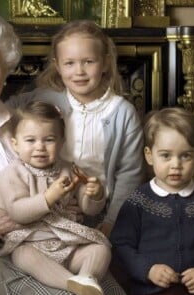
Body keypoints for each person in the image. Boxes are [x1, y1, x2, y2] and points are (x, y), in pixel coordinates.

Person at [0, 11, 129, 295]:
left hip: (44, 241)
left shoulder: (22, 123)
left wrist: (73, 202)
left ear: (5, 70)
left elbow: (56, 180)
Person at [7, 20, 145, 238]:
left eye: (88, 61)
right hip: (48, 204)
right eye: (69, 63)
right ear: (57, 65)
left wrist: (111, 222)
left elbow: (129, 175)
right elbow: (6, 110)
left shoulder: (122, 113)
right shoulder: (46, 98)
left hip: (99, 210)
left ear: (106, 63)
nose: (79, 71)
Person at [0, 101, 112, 295]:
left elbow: (87, 209)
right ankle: (71, 284)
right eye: (30, 140)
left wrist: (94, 195)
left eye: (49, 140)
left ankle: (86, 278)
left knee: (101, 249)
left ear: (61, 141)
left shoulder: (69, 169)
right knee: (22, 255)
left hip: (68, 244)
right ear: (15, 143)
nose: (40, 147)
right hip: (32, 241)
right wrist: (49, 197)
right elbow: (17, 212)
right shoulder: (12, 174)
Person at [110, 107, 194, 295]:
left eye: (185, 155)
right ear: (149, 155)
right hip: (150, 293)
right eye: (166, 155)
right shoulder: (139, 200)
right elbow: (121, 246)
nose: (176, 164)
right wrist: (148, 269)